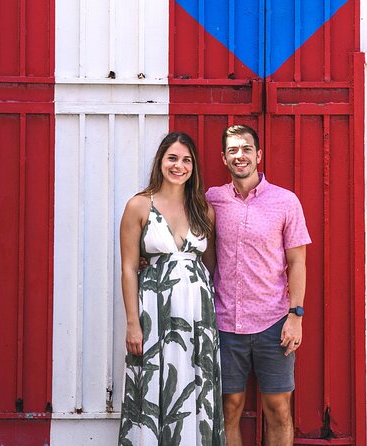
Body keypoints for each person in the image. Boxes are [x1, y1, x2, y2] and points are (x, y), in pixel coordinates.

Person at [118, 132, 226, 446]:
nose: (179, 166)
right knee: (152, 385)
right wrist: (132, 323)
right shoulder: (139, 205)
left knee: (196, 385)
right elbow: (127, 268)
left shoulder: (203, 209)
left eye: (186, 160)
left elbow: (209, 264)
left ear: (194, 166)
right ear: (161, 161)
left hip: (198, 315)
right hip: (153, 311)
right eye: (173, 158)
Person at [206, 125, 311, 445]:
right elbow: (183, 234)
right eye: (234, 150)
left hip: (274, 323)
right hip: (226, 323)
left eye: (247, 149)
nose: (241, 156)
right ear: (224, 157)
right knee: (229, 408)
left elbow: (297, 262)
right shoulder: (212, 199)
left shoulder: (285, 201)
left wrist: (296, 315)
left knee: (278, 409)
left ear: (259, 155)